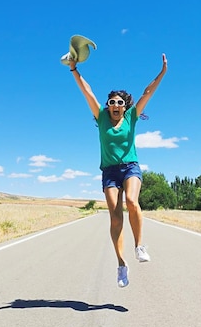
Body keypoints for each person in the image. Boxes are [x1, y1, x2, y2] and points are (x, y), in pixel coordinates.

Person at [68, 53, 168, 288]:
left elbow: (147, 92)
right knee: (115, 219)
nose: (115, 105)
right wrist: (74, 69)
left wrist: (162, 73)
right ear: (108, 106)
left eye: (119, 102)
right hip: (110, 172)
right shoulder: (101, 117)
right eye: (111, 102)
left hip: (130, 167)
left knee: (132, 202)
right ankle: (122, 265)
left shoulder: (132, 117)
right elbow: (88, 92)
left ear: (126, 106)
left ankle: (139, 246)